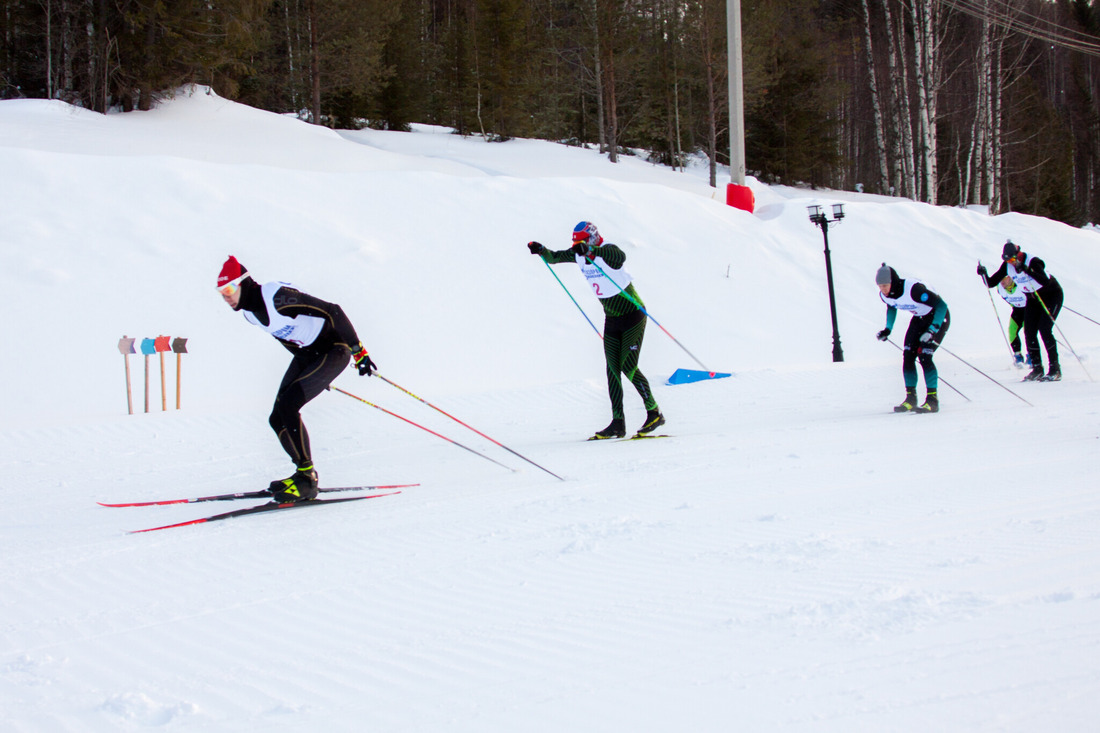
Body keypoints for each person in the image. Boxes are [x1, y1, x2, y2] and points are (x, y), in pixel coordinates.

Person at [216, 256, 376, 501]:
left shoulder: (276, 296)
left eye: (228, 290)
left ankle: (307, 479)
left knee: (290, 405)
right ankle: (302, 474)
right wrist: (315, 374)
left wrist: (358, 351)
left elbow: (332, 310)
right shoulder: (250, 315)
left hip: (334, 348)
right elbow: (284, 337)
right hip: (309, 355)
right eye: (221, 292)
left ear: (243, 283)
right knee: (277, 417)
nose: (225, 297)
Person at [527, 222, 664, 439]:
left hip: (632, 315)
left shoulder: (607, 249)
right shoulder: (580, 253)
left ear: (591, 238)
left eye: (582, 241)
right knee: (612, 370)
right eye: (576, 242)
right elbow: (555, 257)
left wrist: (591, 250)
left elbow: (620, 257)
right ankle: (617, 423)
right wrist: (541, 250)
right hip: (612, 318)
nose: (578, 246)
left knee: (628, 367)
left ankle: (654, 412)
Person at [977, 240, 1063, 381]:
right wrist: (983, 275)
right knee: (1029, 332)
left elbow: (1044, 281)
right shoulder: (1007, 266)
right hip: (1032, 298)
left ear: (1018, 254)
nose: (1010, 262)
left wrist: (1026, 269)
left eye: (1012, 259)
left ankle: (1055, 369)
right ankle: (1037, 369)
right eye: (1007, 260)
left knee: (1045, 329)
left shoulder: (1033, 261)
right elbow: (991, 283)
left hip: (1051, 295)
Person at [875, 263, 951, 413]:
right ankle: (911, 398)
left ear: (893, 282)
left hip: (938, 317)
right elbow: (892, 306)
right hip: (919, 318)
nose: (882, 289)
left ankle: (932, 400)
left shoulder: (914, 290)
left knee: (925, 355)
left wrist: (933, 329)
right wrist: (887, 329)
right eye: (880, 286)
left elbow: (941, 305)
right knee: (908, 355)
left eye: (885, 285)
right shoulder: (886, 295)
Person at [996, 275, 1028, 368]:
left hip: (1029, 310)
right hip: (1017, 310)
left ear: (1010, 278)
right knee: (1012, 332)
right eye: (1000, 280)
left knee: (1029, 333)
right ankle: (1018, 356)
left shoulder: (1019, 285)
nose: (1002, 282)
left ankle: (1031, 356)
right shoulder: (1000, 288)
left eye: (1004, 279)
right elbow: (989, 283)